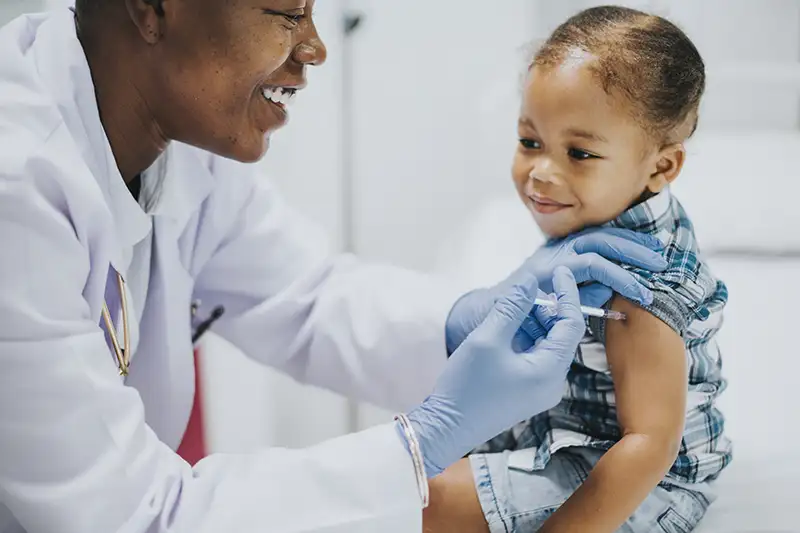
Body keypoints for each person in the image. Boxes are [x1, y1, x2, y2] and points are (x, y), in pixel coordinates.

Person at [0, 2, 669, 532]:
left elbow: (308, 295)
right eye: (287, 14)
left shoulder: (177, 140)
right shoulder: (16, 184)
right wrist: (424, 439)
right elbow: (134, 516)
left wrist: (464, 323)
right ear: (152, 7)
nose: (315, 46)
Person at [426, 6, 732, 533]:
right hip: (570, 429)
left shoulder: (639, 285)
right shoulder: (605, 213)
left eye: (580, 153)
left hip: (641, 484)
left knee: (420, 503)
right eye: (530, 142)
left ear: (661, 166)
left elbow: (649, 445)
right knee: (403, 469)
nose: (541, 172)